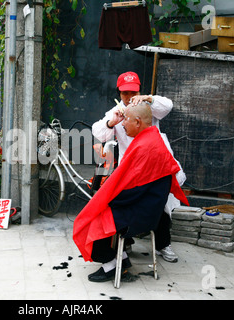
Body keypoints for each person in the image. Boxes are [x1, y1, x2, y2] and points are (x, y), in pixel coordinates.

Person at [73, 103, 189, 282]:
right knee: (101, 208)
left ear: (138, 121)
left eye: (126, 120)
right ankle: (123, 259)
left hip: (143, 213)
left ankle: (110, 265)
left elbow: (135, 189)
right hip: (149, 209)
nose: (123, 124)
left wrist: (108, 199)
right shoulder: (152, 140)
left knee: (93, 218)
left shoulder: (146, 147)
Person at [92, 71, 186, 263]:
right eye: (125, 93)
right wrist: (112, 123)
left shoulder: (148, 108)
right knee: (126, 202)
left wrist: (148, 99)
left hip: (155, 165)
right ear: (119, 93)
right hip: (132, 167)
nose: (129, 97)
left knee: (159, 203)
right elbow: (99, 133)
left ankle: (163, 244)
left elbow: (167, 105)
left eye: (133, 92)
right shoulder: (117, 112)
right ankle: (124, 241)